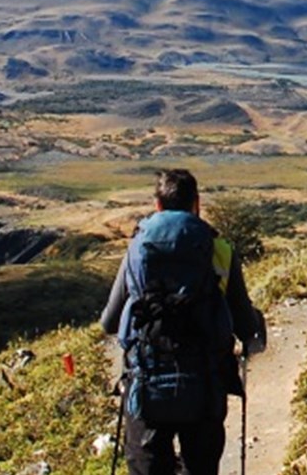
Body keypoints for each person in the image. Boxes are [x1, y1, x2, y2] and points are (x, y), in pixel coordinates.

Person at [101, 169, 266, 475]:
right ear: (196, 204)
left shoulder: (136, 249)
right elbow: (244, 324)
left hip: (146, 384)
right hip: (205, 384)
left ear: (157, 205)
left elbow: (109, 322)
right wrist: (254, 326)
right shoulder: (219, 250)